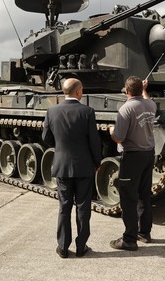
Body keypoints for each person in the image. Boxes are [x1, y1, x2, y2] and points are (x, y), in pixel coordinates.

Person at [42, 78, 102, 258]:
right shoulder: (88, 112)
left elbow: (46, 138)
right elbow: (94, 141)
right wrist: (97, 162)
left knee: (64, 206)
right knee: (83, 207)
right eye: (82, 89)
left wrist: (60, 148)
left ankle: (62, 247)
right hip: (84, 167)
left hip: (62, 166)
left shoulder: (52, 111)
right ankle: (81, 246)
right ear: (77, 92)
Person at [109, 76, 157, 251]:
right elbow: (147, 99)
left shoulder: (126, 108)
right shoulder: (151, 105)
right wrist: (144, 90)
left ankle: (129, 239)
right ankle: (145, 233)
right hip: (148, 154)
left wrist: (112, 131)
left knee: (129, 198)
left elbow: (119, 137)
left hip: (133, 156)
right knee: (144, 195)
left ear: (126, 90)